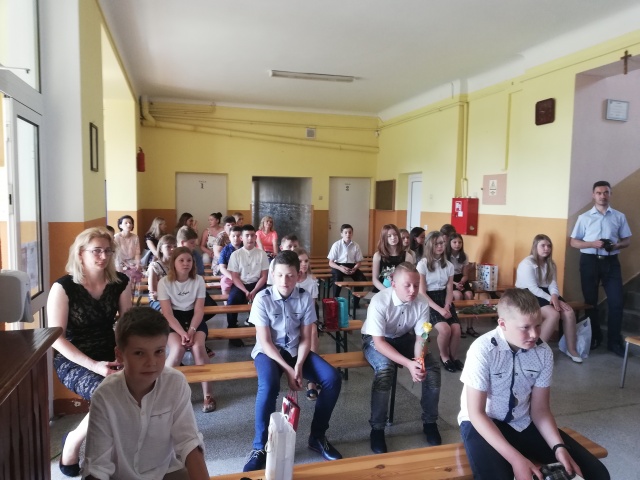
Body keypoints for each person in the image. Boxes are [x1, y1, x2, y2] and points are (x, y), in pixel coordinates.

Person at [458, 288, 610, 480]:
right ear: (503, 324)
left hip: (522, 421)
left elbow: (540, 410)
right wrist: (517, 459)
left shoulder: (543, 353)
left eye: (538, 325)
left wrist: (559, 448)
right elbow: (476, 413)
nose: (534, 334)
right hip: (483, 423)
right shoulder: (483, 350)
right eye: (525, 327)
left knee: (596, 473)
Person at [242, 251, 343, 472]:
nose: (284, 281)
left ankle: (317, 437)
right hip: (268, 353)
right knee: (269, 385)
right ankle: (260, 446)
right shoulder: (262, 298)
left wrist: (298, 365)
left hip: (297, 350)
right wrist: (289, 370)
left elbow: (306, 338)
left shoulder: (305, 297)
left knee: (332, 379)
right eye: (279, 275)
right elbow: (265, 342)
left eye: (290, 275)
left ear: (298, 275)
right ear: (272, 275)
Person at [83, 307, 208, 480]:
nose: (151, 362)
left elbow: (189, 442)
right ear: (120, 355)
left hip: (164, 473)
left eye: (159, 351)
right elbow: (97, 466)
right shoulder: (105, 396)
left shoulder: (175, 383)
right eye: (139, 353)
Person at [47, 227, 132, 477]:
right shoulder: (63, 287)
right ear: (80, 253)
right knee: (107, 393)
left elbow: (127, 325)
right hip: (73, 358)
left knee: (133, 389)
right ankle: (73, 442)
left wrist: (125, 354)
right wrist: (94, 365)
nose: (103, 256)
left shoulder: (120, 282)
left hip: (110, 350)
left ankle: (119, 451)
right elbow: (56, 339)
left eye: (108, 251)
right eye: (96, 251)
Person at [362, 262, 442, 454]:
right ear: (393, 284)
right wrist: (408, 364)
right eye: (407, 285)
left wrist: (418, 362)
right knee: (385, 370)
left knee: (431, 369)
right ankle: (377, 428)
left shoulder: (421, 302)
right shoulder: (379, 301)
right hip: (376, 339)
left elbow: (421, 337)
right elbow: (379, 342)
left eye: (416, 285)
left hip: (403, 337)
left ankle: (430, 422)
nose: (413, 290)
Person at [570, 180, 632, 357]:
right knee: (591, 303)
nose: (602, 196)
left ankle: (614, 342)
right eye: (599, 193)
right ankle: (594, 337)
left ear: (610, 194)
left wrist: (616, 245)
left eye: (606, 192)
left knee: (616, 302)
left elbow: (627, 240)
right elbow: (574, 242)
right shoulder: (584, 218)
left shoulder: (619, 216)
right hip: (589, 261)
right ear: (593, 195)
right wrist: (592, 243)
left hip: (611, 262)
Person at [158, 247, 216, 413]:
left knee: (198, 347)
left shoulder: (198, 281)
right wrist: (182, 333)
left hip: (194, 318)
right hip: (173, 319)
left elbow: (199, 310)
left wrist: (191, 330)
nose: (185, 263)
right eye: (181, 260)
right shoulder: (164, 282)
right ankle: (161, 394)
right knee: (178, 348)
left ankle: (208, 395)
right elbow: (167, 313)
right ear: (173, 263)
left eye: (189, 260)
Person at [516, 234, 582, 363]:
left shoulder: (551, 264)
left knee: (569, 312)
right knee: (553, 314)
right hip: (527, 293)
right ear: (535, 247)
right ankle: (534, 351)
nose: (546, 248)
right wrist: (552, 299)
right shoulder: (527, 263)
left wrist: (555, 296)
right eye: (543, 245)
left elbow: (553, 284)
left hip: (545, 292)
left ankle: (571, 349)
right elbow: (533, 288)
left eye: (549, 246)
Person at [417, 231, 463, 373]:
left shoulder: (448, 265)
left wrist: (447, 305)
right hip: (429, 300)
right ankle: (444, 357)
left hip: (445, 299)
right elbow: (422, 292)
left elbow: (449, 289)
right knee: (444, 329)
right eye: (436, 244)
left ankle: (454, 357)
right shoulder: (423, 264)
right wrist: (440, 309)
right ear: (429, 245)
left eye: (442, 243)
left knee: (456, 329)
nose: (440, 246)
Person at [226, 224, 269, 345]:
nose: (250, 238)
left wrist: (254, 290)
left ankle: (263, 333)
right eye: (247, 235)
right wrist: (245, 291)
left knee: (264, 300)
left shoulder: (262, 254)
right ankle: (232, 332)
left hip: (257, 284)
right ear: (241, 238)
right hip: (241, 284)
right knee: (232, 301)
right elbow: (235, 277)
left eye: (252, 235)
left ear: (256, 237)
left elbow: (264, 276)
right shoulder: (236, 254)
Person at [294, 247, 321, 400]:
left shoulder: (311, 281)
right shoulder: (290, 279)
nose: (304, 264)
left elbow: (312, 305)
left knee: (313, 331)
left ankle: (312, 380)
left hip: (307, 316)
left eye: (306, 261)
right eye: (300, 261)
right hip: (291, 317)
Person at [327, 223, 367, 308]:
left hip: (351, 266)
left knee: (362, 278)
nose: (348, 234)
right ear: (341, 234)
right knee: (338, 277)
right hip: (338, 266)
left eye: (350, 232)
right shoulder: (336, 245)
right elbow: (331, 262)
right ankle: (335, 300)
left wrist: (355, 268)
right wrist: (340, 268)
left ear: (352, 234)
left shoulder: (356, 245)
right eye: (345, 232)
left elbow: (359, 262)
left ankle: (356, 301)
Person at [447, 233, 477, 338]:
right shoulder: (445, 256)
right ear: (449, 243)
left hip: (461, 280)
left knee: (469, 295)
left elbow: (465, 275)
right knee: (458, 295)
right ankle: (458, 326)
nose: (457, 244)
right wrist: (455, 284)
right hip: (449, 280)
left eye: (459, 242)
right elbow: (445, 276)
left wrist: (461, 282)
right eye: (454, 242)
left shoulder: (464, 256)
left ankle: (470, 327)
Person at [371, 224, 412, 294]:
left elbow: (408, 278)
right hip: (381, 290)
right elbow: (375, 279)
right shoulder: (378, 255)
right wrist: (387, 291)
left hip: (400, 291)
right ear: (384, 238)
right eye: (389, 236)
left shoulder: (407, 256)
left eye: (395, 235)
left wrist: (397, 292)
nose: (393, 238)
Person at [147, 234, 176, 311]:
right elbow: (154, 293)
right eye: (168, 246)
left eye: (174, 246)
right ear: (160, 249)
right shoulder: (154, 266)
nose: (172, 249)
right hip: (158, 300)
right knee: (167, 309)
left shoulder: (177, 265)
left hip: (174, 298)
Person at [114, 215, 142, 285]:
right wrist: (124, 266)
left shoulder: (135, 237)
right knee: (122, 280)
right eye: (126, 223)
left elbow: (137, 253)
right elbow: (117, 256)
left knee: (137, 275)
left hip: (132, 262)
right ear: (120, 226)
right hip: (120, 262)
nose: (129, 225)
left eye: (130, 223)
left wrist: (137, 263)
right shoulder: (116, 237)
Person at [218, 225, 243, 295]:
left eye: (238, 236)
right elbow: (222, 268)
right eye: (233, 236)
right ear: (229, 237)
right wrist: (233, 278)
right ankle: (226, 300)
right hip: (229, 275)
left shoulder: (245, 248)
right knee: (224, 281)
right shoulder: (225, 250)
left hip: (243, 274)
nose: (236, 238)